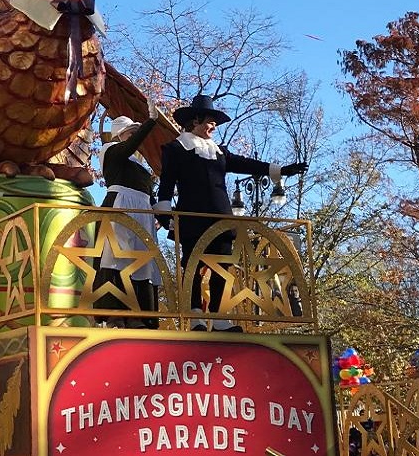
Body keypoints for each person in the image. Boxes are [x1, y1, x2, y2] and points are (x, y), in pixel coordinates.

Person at [155, 95, 307, 331]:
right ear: (195, 121)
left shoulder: (219, 152)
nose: (214, 126)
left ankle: (217, 317)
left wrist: (281, 170)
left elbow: (248, 164)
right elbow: (166, 184)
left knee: (223, 265)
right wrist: (165, 213)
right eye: (210, 120)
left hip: (222, 219)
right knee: (193, 266)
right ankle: (194, 316)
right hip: (193, 217)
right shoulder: (176, 148)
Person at [92, 101, 164, 328]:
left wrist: (162, 217)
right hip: (121, 206)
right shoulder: (111, 151)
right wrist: (151, 122)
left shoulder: (139, 166)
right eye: (132, 132)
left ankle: (139, 315)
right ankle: (115, 313)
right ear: (121, 134)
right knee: (116, 257)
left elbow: (148, 192)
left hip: (141, 211)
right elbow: (129, 147)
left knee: (141, 262)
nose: (135, 136)